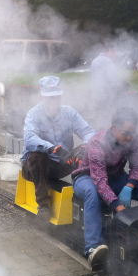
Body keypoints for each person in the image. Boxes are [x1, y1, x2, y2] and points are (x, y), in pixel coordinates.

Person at [71, 106, 138, 266]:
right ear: (114, 128)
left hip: (116, 177)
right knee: (92, 192)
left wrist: (129, 186)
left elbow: (137, 168)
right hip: (87, 178)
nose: (129, 138)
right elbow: (99, 181)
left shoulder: (133, 139)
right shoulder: (97, 143)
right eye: (125, 133)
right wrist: (118, 207)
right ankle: (93, 248)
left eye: (132, 133)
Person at [22, 76, 96, 221]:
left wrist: (84, 148)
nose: (54, 101)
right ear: (42, 97)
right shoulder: (34, 114)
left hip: (61, 165)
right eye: (50, 98)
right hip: (34, 168)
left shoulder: (70, 113)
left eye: (56, 97)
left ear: (61, 96)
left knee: (89, 150)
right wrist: (53, 149)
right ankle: (43, 205)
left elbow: (89, 132)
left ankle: (88, 195)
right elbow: (29, 138)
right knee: (38, 155)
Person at [90, 46, 128, 123]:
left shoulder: (94, 61)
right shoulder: (108, 61)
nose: (115, 54)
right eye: (114, 52)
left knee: (100, 113)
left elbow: (92, 77)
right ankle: (107, 128)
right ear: (110, 50)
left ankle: (99, 128)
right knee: (108, 114)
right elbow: (113, 77)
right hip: (107, 94)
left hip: (97, 94)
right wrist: (123, 83)